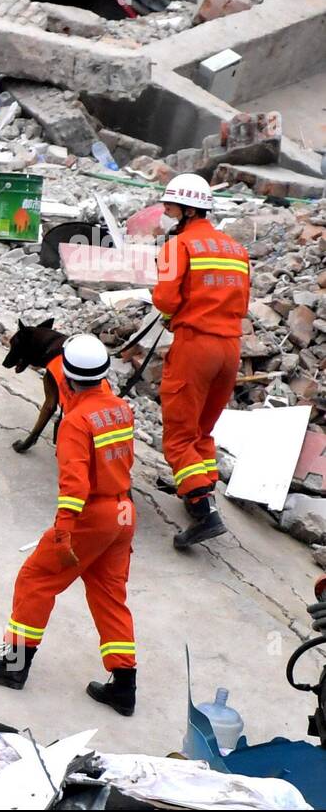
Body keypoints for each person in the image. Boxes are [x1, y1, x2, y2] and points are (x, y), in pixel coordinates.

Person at [0, 335, 139, 716]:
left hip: (91, 516)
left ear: (67, 376)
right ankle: (124, 687)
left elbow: (75, 485)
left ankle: (13, 667)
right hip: (123, 513)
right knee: (110, 597)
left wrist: (63, 530)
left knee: (36, 580)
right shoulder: (120, 409)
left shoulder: (76, 422)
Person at [152, 173, 251, 548]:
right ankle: (202, 489)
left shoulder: (179, 246)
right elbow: (239, 301)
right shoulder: (236, 249)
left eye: (170, 206)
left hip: (195, 347)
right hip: (230, 350)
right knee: (202, 430)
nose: (165, 211)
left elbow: (164, 300)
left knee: (178, 435)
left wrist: (174, 312)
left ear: (188, 209)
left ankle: (201, 508)